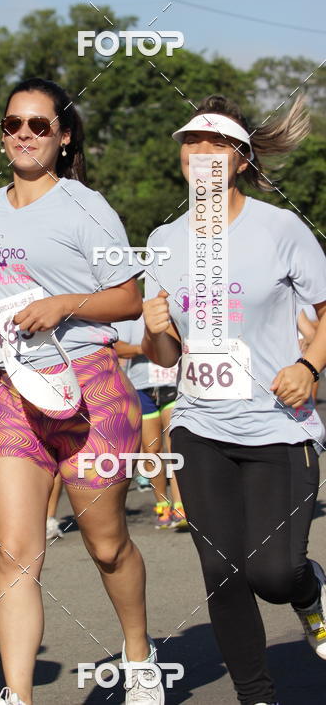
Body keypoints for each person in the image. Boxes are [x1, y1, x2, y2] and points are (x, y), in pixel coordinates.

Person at [0, 77, 162, 705]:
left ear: (62, 136)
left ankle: (139, 655)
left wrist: (64, 304)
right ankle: (19, 695)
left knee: (108, 546)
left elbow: (128, 299)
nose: (24, 135)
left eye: (38, 125)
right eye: (13, 124)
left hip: (91, 390)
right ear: (2, 133)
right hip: (13, 391)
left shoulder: (87, 206)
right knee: (16, 552)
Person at [142, 95, 326, 705]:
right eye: (191, 142)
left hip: (278, 427)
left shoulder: (280, 228)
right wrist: (156, 325)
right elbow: (166, 358)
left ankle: (307, 592)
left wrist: (309, 364)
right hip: (199, 426)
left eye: (216, 143)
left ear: (242, 160)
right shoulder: (164, 240)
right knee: (223, 573)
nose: (200, 153)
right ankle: (257, 695)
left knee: (272, 573)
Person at [114, 317, 186, 530]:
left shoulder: (169, 307)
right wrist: (147, 348)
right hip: (142, 389)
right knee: (152, 449)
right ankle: (162, 505)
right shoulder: (132, 313)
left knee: (173, 447)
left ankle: (181, 505)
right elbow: (118, 348)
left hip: (171, 382)